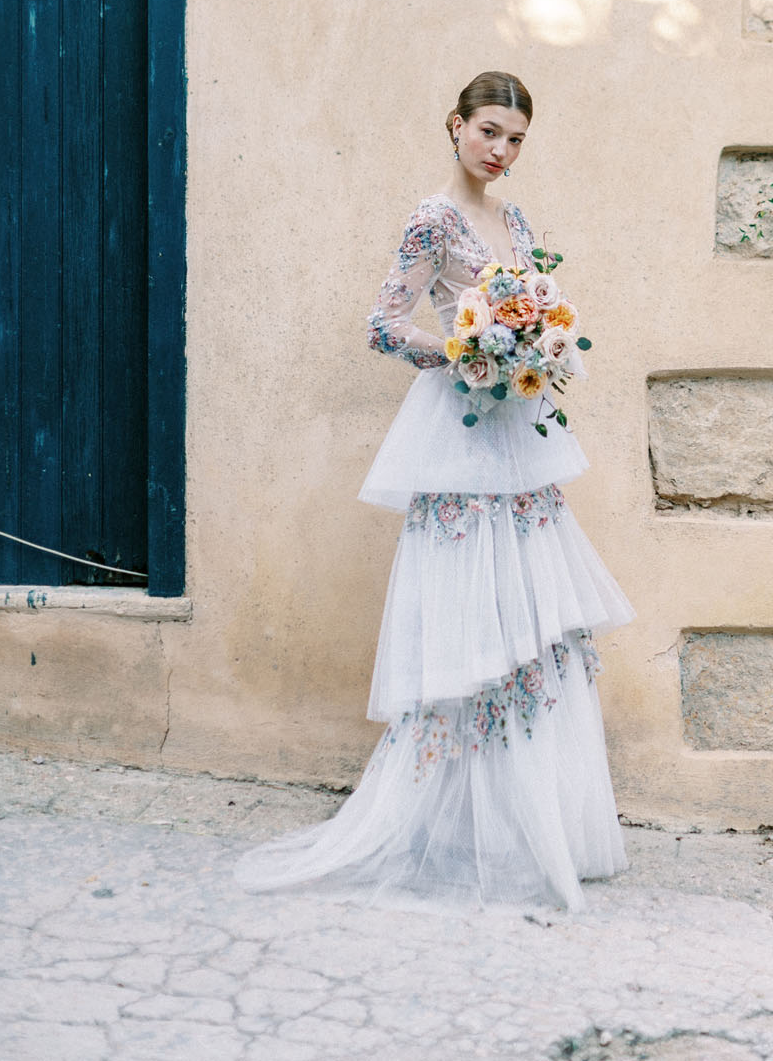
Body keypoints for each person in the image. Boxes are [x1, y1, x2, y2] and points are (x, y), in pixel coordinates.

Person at [236, 71, 634, 910]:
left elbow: (534, 306)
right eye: (490, 131)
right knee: (467, 610)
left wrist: (537, 348)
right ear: (455, 125)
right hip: (458, 436)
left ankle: (530, 823)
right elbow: (383, 322)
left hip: (515, 436)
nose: (502, 150)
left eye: (517, 139)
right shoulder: (436, 218)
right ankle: (449, 824)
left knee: (530, 619)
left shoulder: (516, 220)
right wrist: (465, 349)